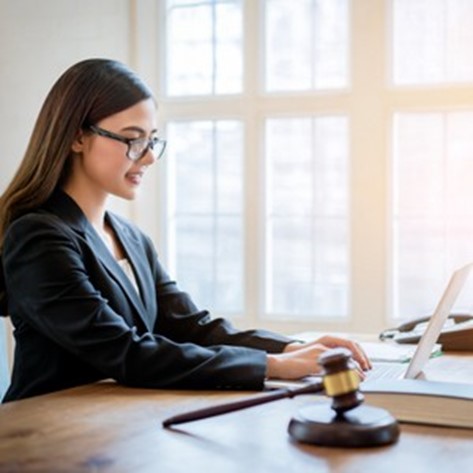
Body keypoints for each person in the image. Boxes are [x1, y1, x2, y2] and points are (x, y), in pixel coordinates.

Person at [0, 58, 370, 403]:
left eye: (151, 140)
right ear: (77, 137)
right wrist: (274, 367)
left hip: (117, 424)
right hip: (49, 433)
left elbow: (191, 327)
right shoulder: (38, 237)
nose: (147, 156)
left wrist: (291, 348)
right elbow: (126, 352)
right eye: (132, 139)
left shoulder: (129, 236)